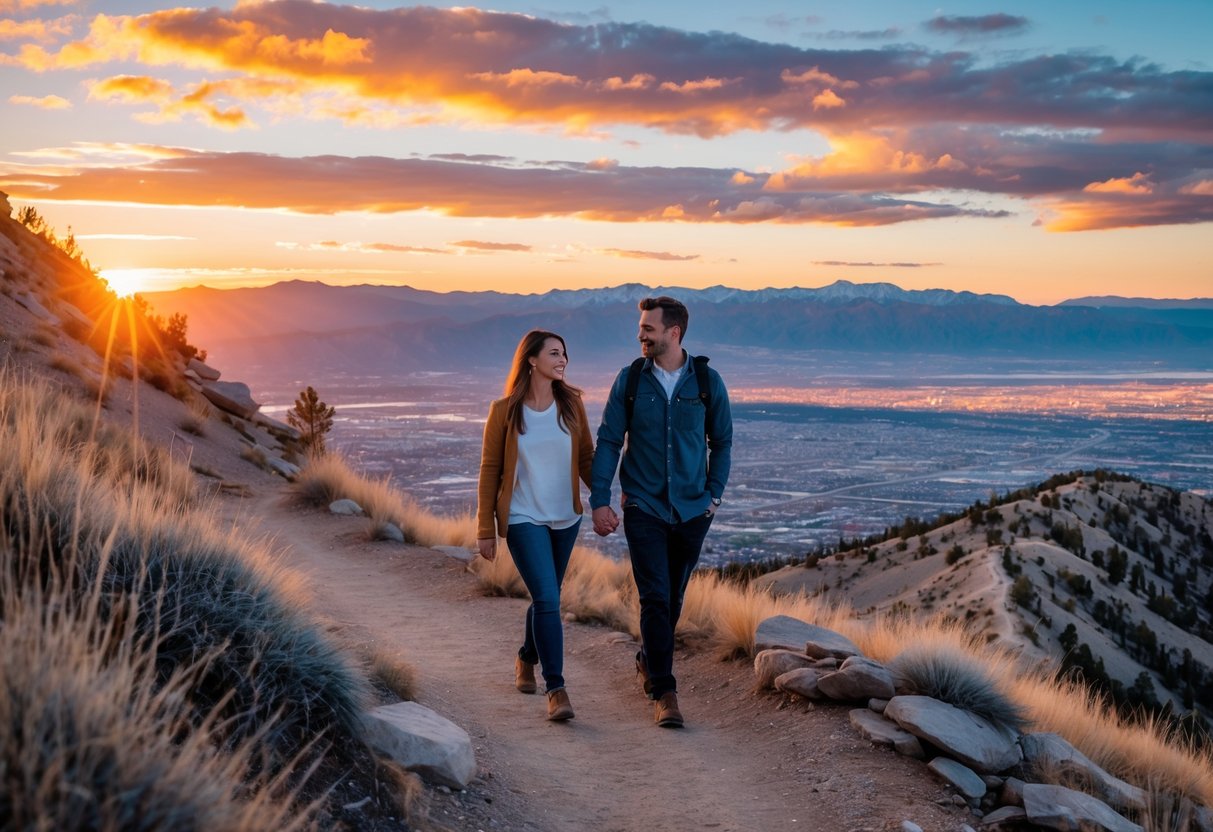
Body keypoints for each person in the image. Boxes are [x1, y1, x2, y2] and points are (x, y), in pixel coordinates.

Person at [590, 296, 732, 728]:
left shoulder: (706, 382)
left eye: (649, 328)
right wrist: (599, 498)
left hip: (692, 510)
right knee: (654, 596)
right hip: (645, 506)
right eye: (641, 328)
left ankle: (647, 659)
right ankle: (664, 691)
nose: (641, 335)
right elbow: (610, 439)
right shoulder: (630, 380)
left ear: (674, 332)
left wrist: (713, 497)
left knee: (672, 598)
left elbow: (722, 442)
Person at [477, 330, 594, 722]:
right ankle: (556, 688)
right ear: (531, 360)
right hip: (523, 517)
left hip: (566, 517)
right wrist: (485, 529)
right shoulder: (505, 411)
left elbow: (587, 459)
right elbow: (490, 470)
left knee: (548, 596)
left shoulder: (572, 405)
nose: (563, 360)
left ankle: (526, 656)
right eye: (555, 353)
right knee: (547, 599)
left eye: (565, 354)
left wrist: (609, 498)